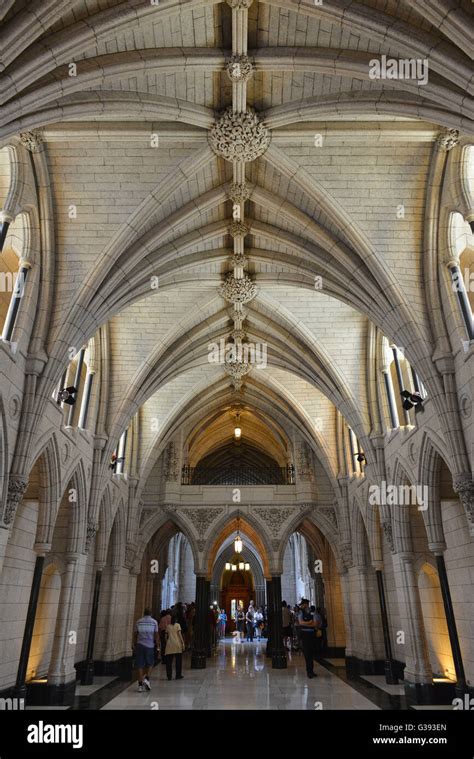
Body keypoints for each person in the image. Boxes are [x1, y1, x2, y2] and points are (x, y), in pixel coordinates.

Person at [133, 607, 159, 692]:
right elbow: (156, 634)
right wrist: (158, 645)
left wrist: (134, 643)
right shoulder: (154, 622)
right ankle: (147, 679)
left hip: (140, 645)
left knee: (140, 665)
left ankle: (140, 686)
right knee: (150, 663)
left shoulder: (138, 621)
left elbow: (135, 634)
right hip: (149, 645)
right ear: (151, 614)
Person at [297, 599, 318, 679]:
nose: (301, 606)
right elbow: (300, 622)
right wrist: (309, 623)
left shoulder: (313, 612)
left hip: (312, 634)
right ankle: (309, 671)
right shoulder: (301, 613)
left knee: (311, 652)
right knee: (307, 653)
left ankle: (311, 670)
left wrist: (307, 624)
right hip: (305, 635)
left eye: (302, 604)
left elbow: (315, 623)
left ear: (306, 604)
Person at [165, 611, 185, 681]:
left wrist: (167, 642)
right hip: (177, 644)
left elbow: (166, 636)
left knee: (169, 662)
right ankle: (178, 675)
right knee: (178, 661)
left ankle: (169, 676)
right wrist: (182, 643)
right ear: (176, 619)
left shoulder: (168, 626)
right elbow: (179, 635)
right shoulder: (177, 625)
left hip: (169, 645)